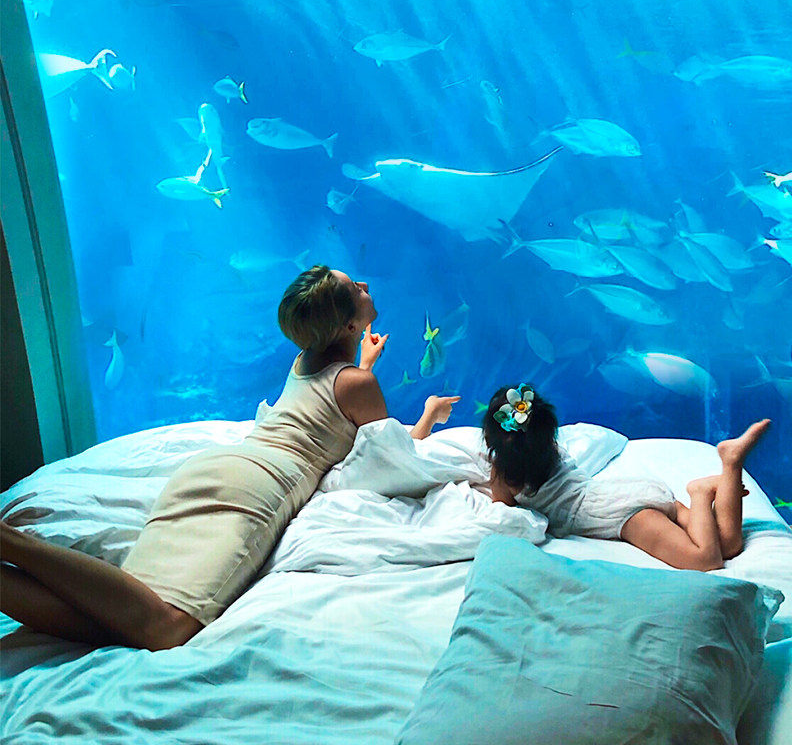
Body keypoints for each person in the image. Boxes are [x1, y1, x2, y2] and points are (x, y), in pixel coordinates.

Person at [0, 265, 459, 649]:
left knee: (115, 615)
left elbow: (332, 398)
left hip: (215, 468)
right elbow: (389, 453)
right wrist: (428, 414)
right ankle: (10, 542)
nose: (364, 286)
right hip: (258, 488)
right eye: (354, 289)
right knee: (167, 626)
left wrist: (364, 363)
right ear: (349, 328)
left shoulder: (303, 361)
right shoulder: (357, 384)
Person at [483, 382, 770, 571]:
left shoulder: (504, 475)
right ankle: (730, 466)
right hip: (626, 492)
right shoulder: (554, 450)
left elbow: (505, 513)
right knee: (729, 546)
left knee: (705, 559)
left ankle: (701, 492)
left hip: (620, 515)